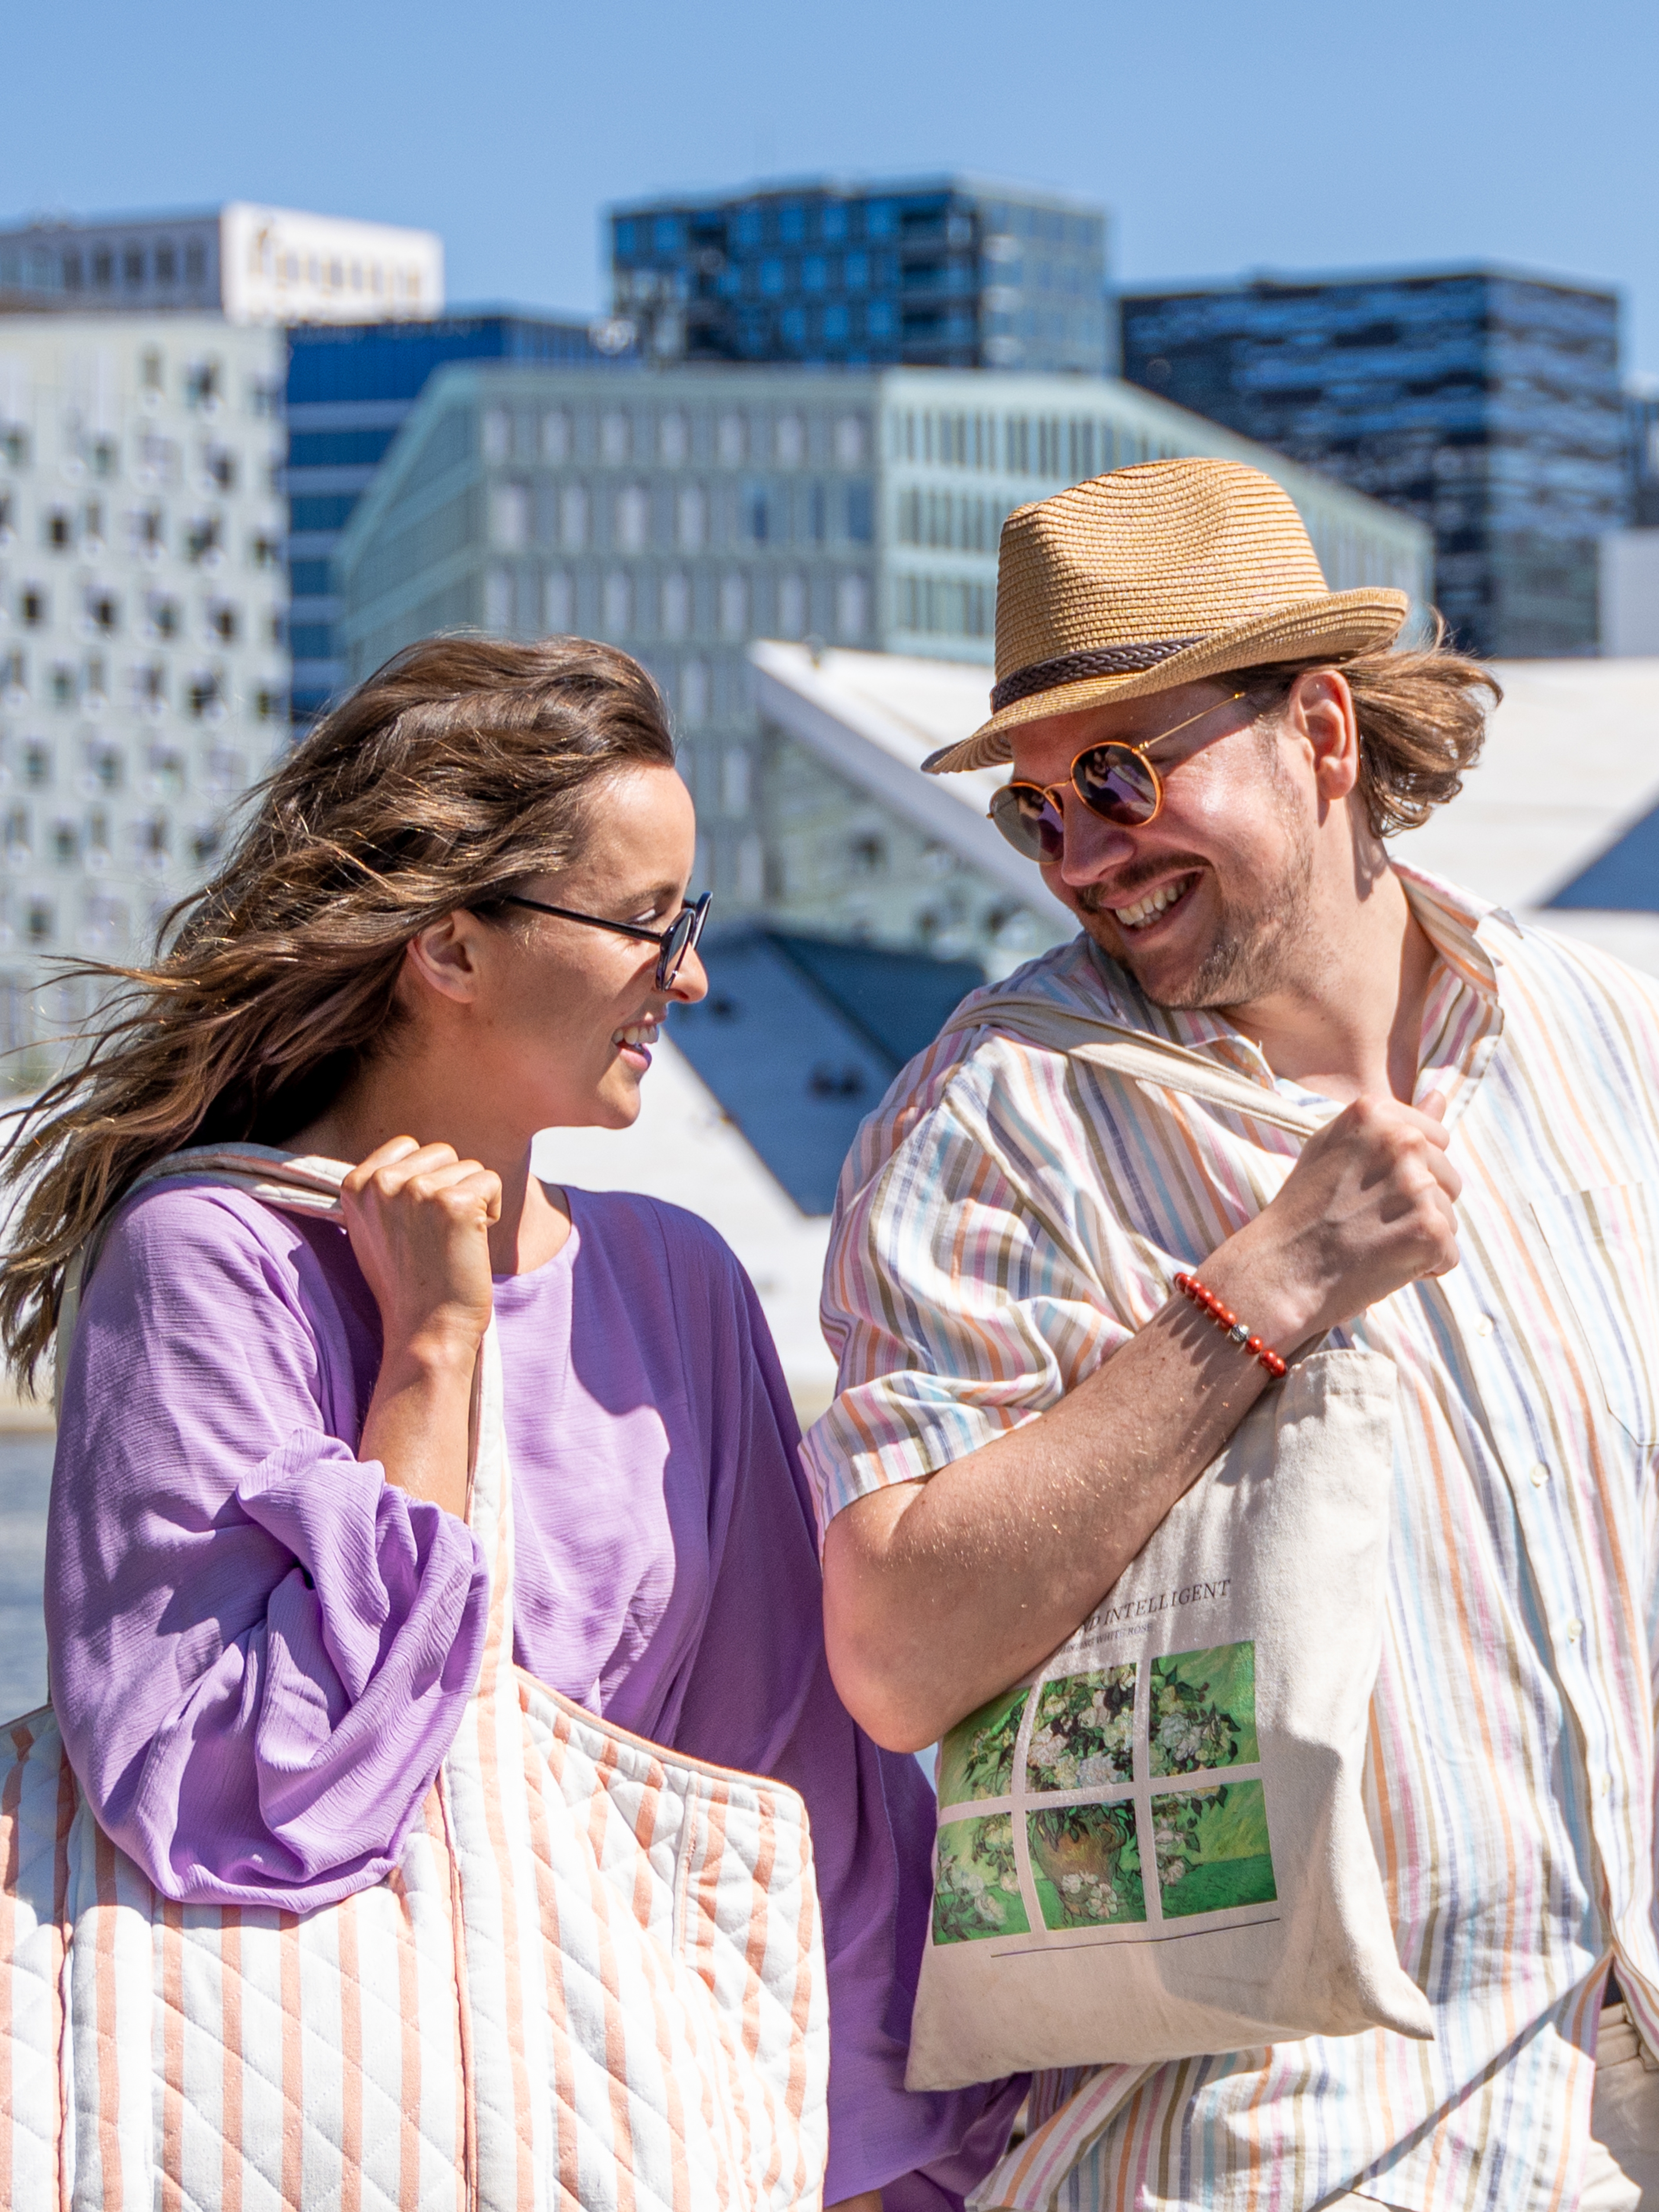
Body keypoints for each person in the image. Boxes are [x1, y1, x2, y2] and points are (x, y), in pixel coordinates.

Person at [1, 636, 1022, 2212]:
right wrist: (433, 1351)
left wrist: (918, 2170)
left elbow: (793, 1808)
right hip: (297, 2131)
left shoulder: (676, 1288)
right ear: (451, 948)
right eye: (641, 923)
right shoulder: (208, 1264)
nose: (688, 974)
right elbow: (233, 1799)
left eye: (687, 922)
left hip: (635, 2145)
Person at [802, 458, 1659, 2212]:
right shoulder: (993, 1121)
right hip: (1290, 2150)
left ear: (1323, 730)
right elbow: (894, 1641)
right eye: (1041, 812)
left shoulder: (1600, 1037)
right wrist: (1261, 1289)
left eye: (1121, 774)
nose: (1087, 859)